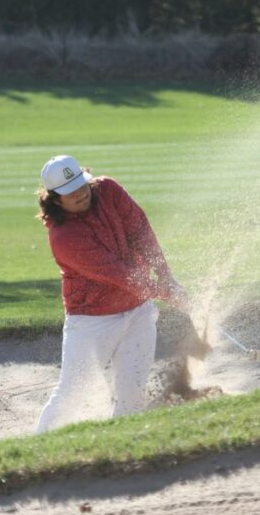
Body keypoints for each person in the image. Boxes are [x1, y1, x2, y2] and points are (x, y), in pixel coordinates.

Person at [34, 154, 189, 433]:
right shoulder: (64, 237)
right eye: (71, 193)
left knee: (132, 393)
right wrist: (166, 292)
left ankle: (122, 443)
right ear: (55, 199)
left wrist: (166, 276)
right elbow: (118, 274)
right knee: (72, 392)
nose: (81, 195)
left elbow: (140, 231)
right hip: (92, 322)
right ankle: (37, 449)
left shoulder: (108, 190)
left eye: (82, 185)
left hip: (139, 312)